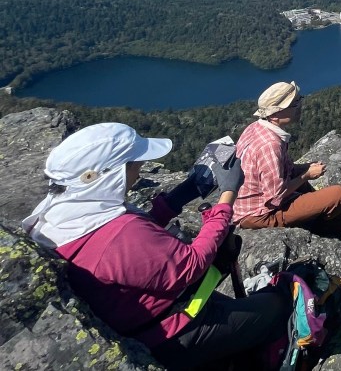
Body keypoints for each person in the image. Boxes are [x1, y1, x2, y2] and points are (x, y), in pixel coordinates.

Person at [23, 122, 289, 371]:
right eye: (134, 164)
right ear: (112, 173)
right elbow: (191, 265)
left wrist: (181, 195)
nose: (139, 170)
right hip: (172, 335)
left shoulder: (60, 219)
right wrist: (227, 195)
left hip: (145, 319)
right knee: (277, 305)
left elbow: (132, 245)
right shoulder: (118, 234)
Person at [234, 81, 341, 234]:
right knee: (338, 194)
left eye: (298, 100)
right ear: (275, 114)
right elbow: (276, 197)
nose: (300, 105)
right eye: (294, 104)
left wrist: (303, 168)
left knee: (303, 182)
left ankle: (319, 212)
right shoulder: (270, 146)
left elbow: (278, 171)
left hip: (248, 202)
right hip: (260, 214)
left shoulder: (255, 128)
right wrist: (306, 175)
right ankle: (327, 232)